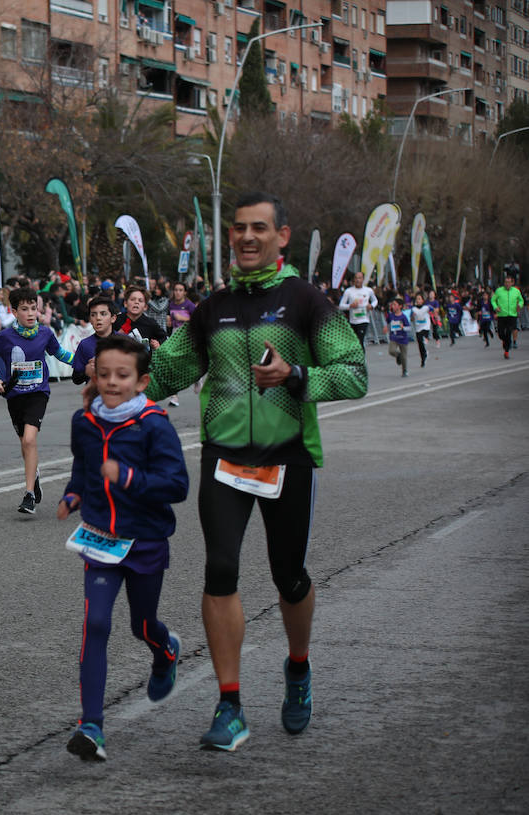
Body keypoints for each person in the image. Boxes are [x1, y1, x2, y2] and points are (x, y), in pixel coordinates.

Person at [140, 191, 367, 751]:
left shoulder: (307, 302)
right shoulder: (213, 309)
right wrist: (116, 382)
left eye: (258, 228)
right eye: (239, 228)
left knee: (289, 575)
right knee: (220, 569)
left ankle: (297, 667)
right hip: (224, 456)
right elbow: (167, 370)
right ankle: (230, 703)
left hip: (287, 454)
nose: (246, 237)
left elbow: (354, 374)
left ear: (282, 236)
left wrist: (296, 379)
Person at [59, 334, 189, 762]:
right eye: (104, 373)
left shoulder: (154, 424)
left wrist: (129, 477)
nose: (111, 382)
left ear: (141, 380)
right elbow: (83, 467)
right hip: (100, 539)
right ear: (93, 375)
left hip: (146, 539)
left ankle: (164, 648)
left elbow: (177, 486)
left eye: (123, 375)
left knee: (141, 623)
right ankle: (91, 725)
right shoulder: (85, 422)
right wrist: (73, 495)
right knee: (95, 623)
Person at [0, 286, 76, 515]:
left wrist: (84, 362)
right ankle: (35, 475)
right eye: (25, 309)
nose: (31, 313)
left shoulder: (45, 334)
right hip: (14, 396)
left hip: (38, 394)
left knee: (30, 440)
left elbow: (60, 354)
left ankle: (29, 494)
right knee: (25, 443)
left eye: (34, 308)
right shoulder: (4, 337)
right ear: (14, 312)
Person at [70, 296, 116, 384]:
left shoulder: (124, 342)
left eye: (103, 314)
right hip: (95, 395)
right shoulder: (85, 344)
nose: (98, 318)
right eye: (93, 315)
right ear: (90, 320)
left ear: (113, 318)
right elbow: (76, 379)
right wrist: (88, 371)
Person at [338, 272, 376, 347]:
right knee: (355, 342)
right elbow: (341, 306)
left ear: (363, 279)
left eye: (360, 278)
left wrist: (371, 306)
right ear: (353, 280)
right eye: (356, 278)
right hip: (353, 320)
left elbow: (375, 300)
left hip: (364, 320)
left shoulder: (368, 290)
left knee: (360, 341)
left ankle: (362, 358)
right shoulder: (348, 291)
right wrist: (350, 305)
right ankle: (357, 357)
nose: (358, 280)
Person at [492, 273, 523, 359]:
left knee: (509, 332)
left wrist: (519, 305)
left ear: (512, 283)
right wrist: (495, 307)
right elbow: (493, 300)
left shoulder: (516, 291)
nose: (507, 284)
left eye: (509, 282)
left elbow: (521, 300)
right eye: (506, 282)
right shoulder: (499, 291)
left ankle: (506, 351)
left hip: (512, 315)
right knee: (501, 333)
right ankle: (504, 341)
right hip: (502, 315)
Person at [386, 297, 411, 377]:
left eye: (394, 304)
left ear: (400, 306)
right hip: (394, 337)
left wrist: (403, 327)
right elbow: (387, 323)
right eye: (392, 304)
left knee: (404, 357)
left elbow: (409, 328)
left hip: (403, 339)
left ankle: (405, 371)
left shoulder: (403, 317)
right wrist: (386, 327)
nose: (392, 306)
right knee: (391, 351)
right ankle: (398, 355)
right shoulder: (391, 316)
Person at [409, 292, 433, 368]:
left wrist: (434, 315)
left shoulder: (426, 307)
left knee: (423, 339)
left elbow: (434, 310)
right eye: (417, 299)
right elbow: (411, 319)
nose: (418, 300)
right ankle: (423, 358)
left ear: (423, 300)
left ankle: (425, 344)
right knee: (420, 344)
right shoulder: (413, 309)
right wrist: (412, 316)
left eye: (419, 299)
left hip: (426, 326)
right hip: (418, 328)